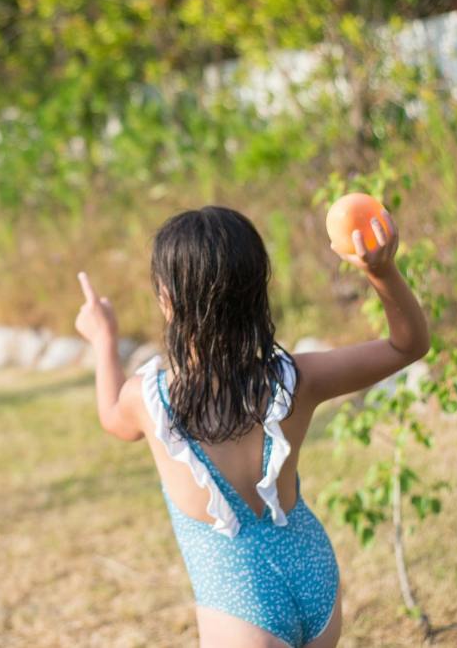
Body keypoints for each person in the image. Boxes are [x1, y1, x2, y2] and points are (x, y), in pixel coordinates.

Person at [74, 206, 429, 647]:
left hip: (240, 607)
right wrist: (382, 271)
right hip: (314, 578)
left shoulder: (149, 400)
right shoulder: (296, 379)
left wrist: (104, 338)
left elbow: (112, 416)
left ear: (167, 299)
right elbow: (408, 344)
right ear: (257, 290)